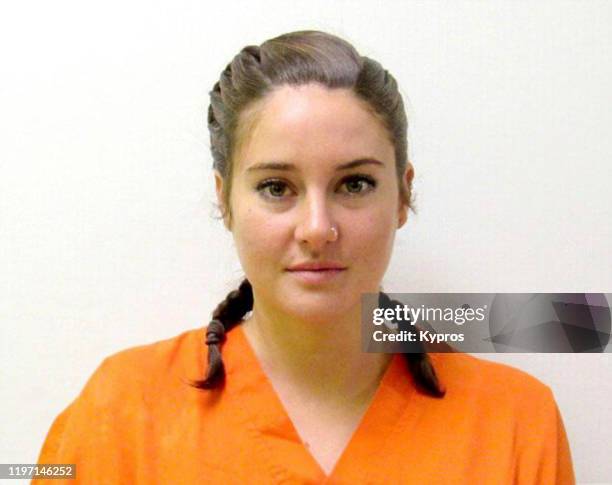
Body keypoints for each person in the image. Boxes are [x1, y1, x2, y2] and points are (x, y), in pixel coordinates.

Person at [34, 30, 575, 484]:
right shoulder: (121, 413)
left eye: (355, 183)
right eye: (276, 187)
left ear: (402, 196)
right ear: (224, 200)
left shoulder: (514, 425)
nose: (318, 228)